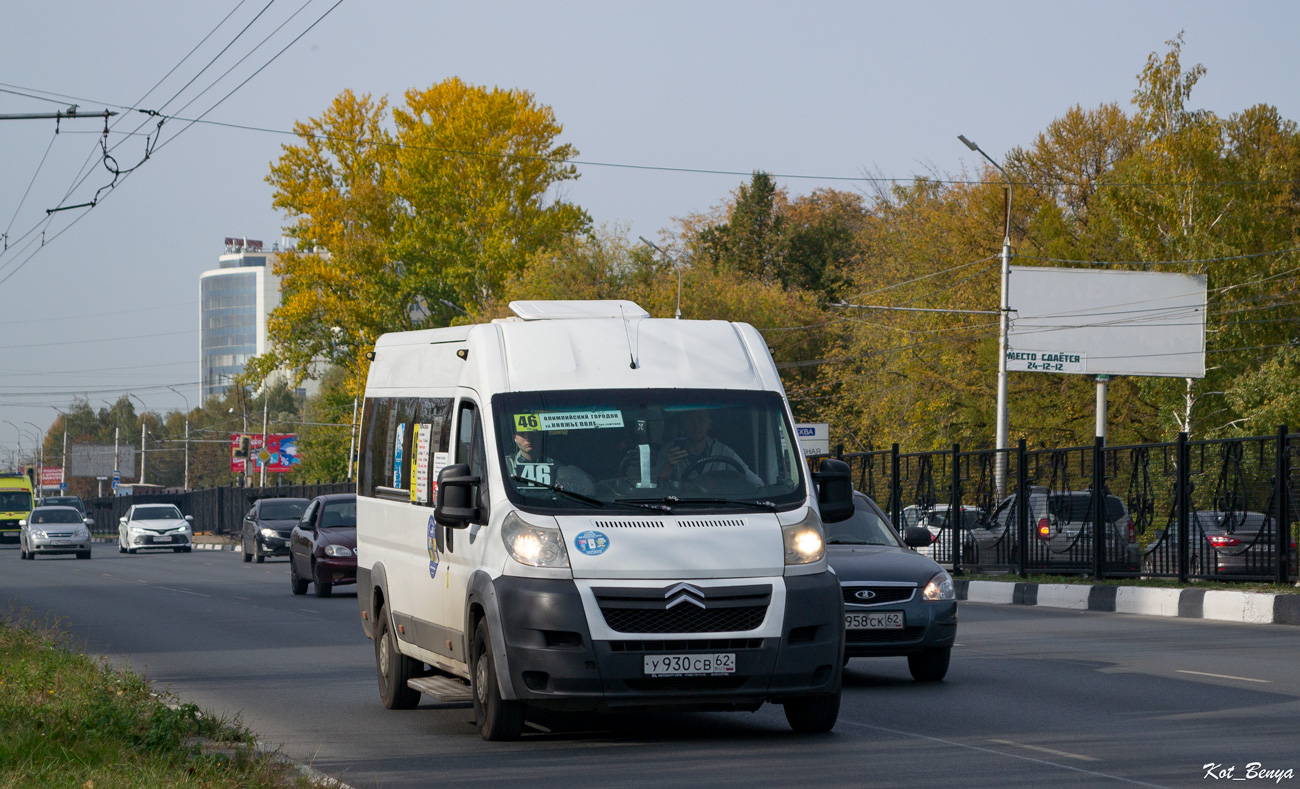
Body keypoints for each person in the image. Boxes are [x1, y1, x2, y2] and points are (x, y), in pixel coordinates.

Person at [657, 409, 764, 486]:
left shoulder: (723, 452)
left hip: (719, 507)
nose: (697, 426)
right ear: (683, 424)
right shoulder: (669, 451)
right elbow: (653, 487)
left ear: (709, 424)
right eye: (691, 420)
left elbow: (755, 481)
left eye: (701, 420)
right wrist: (668, 465)